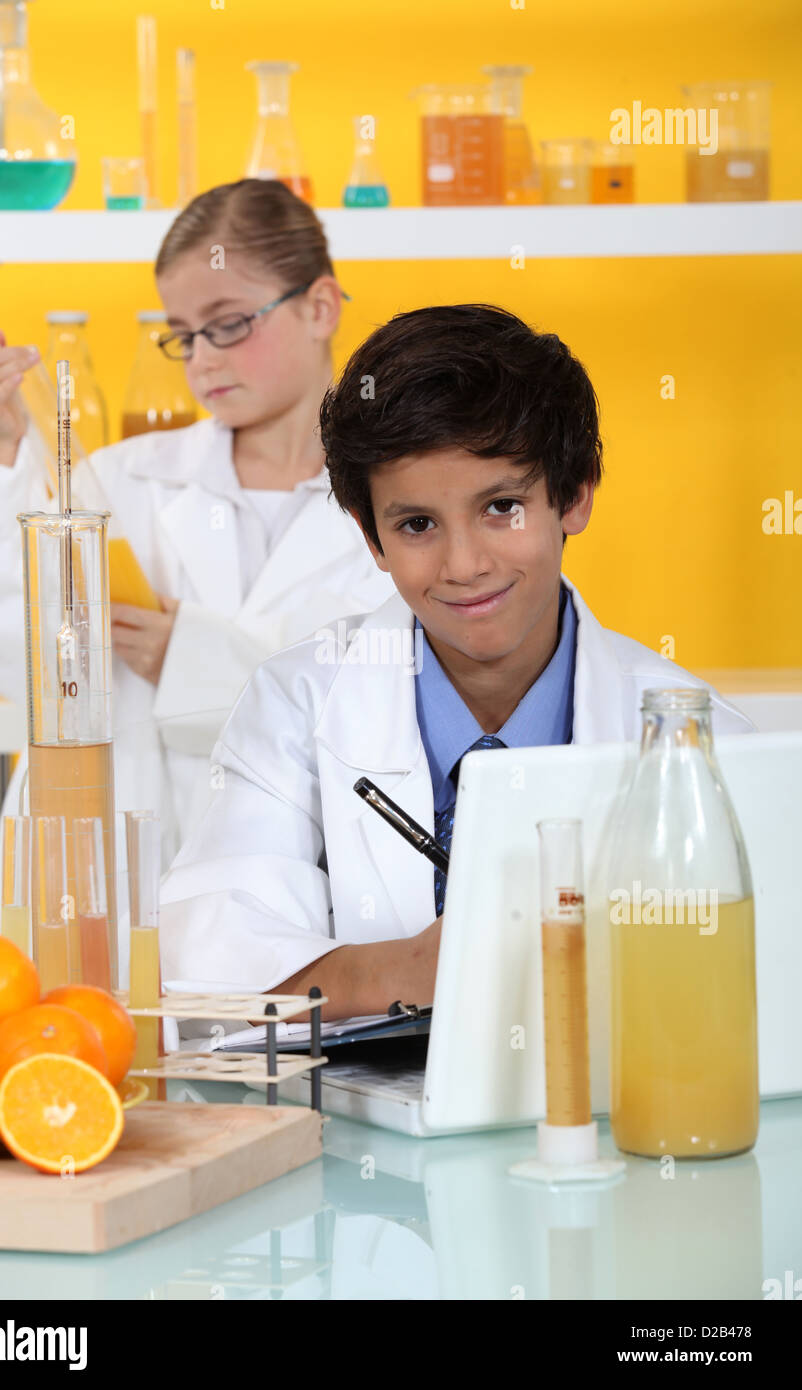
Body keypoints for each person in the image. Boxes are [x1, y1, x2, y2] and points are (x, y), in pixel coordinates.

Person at [158, 303, 755, 1021]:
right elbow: (206, 974)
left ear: (575, 494)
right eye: (416, 525)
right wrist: (409, 970)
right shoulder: (296, 705)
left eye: (502, 507)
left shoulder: (706, 741)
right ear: (371, 538)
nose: (465, 565)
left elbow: (751, 987)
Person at [0, 179, 393, 957]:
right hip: (109, 895)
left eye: (228, 325)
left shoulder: (398, 502)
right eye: (185, 336)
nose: (203, 360)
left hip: (303, 909)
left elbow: (377, 711)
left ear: (321, 306)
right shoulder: (122, 482)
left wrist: (192, 656)